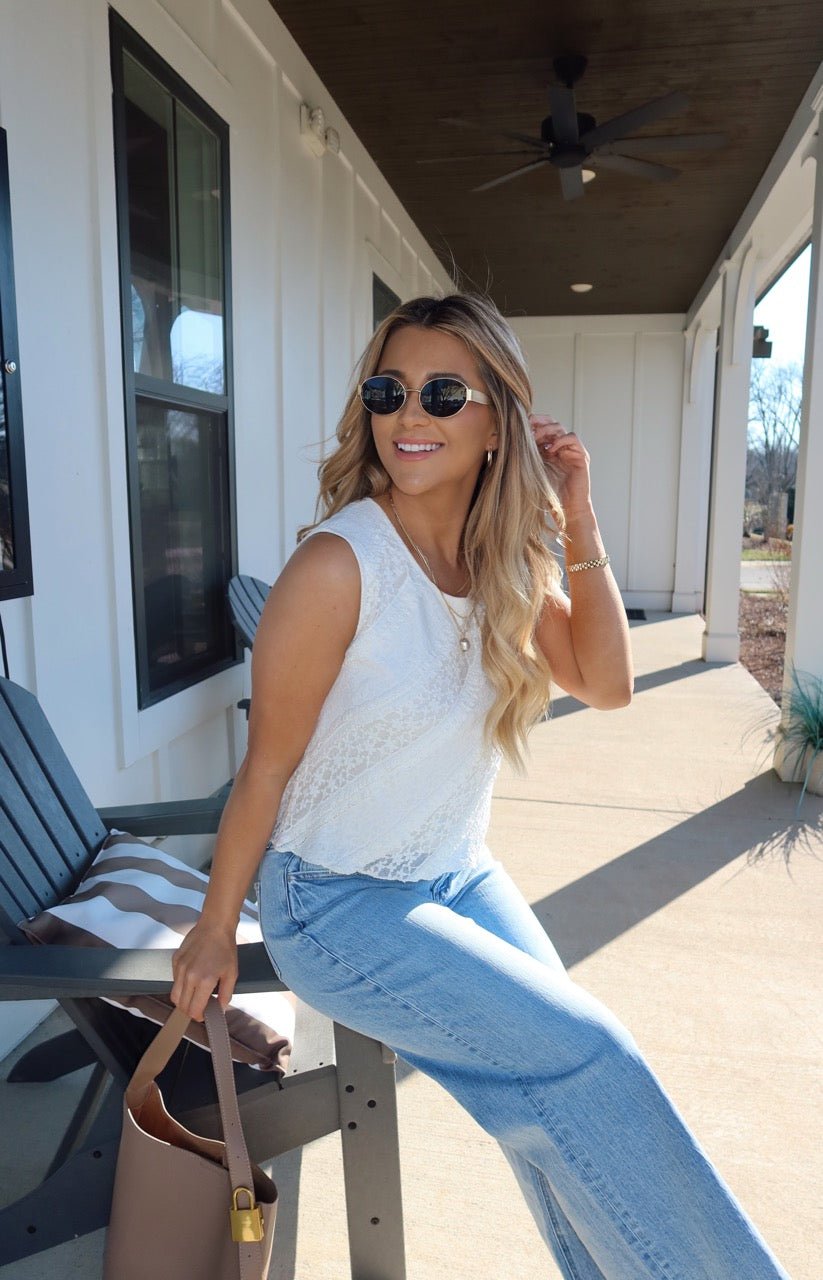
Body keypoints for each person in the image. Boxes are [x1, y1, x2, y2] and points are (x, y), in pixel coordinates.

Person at [171, 292, 791, 1279]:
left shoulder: (495, 561)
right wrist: (213, 923)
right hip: (334, 902)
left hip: (452, 876)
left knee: (553, 1109)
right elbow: (268, 767)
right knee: (592, 1058)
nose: (408, 414)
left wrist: (577, 515)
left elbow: (608, 683)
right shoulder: (337, 566)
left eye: (441, 392)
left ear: (495, 417)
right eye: (389, 390)